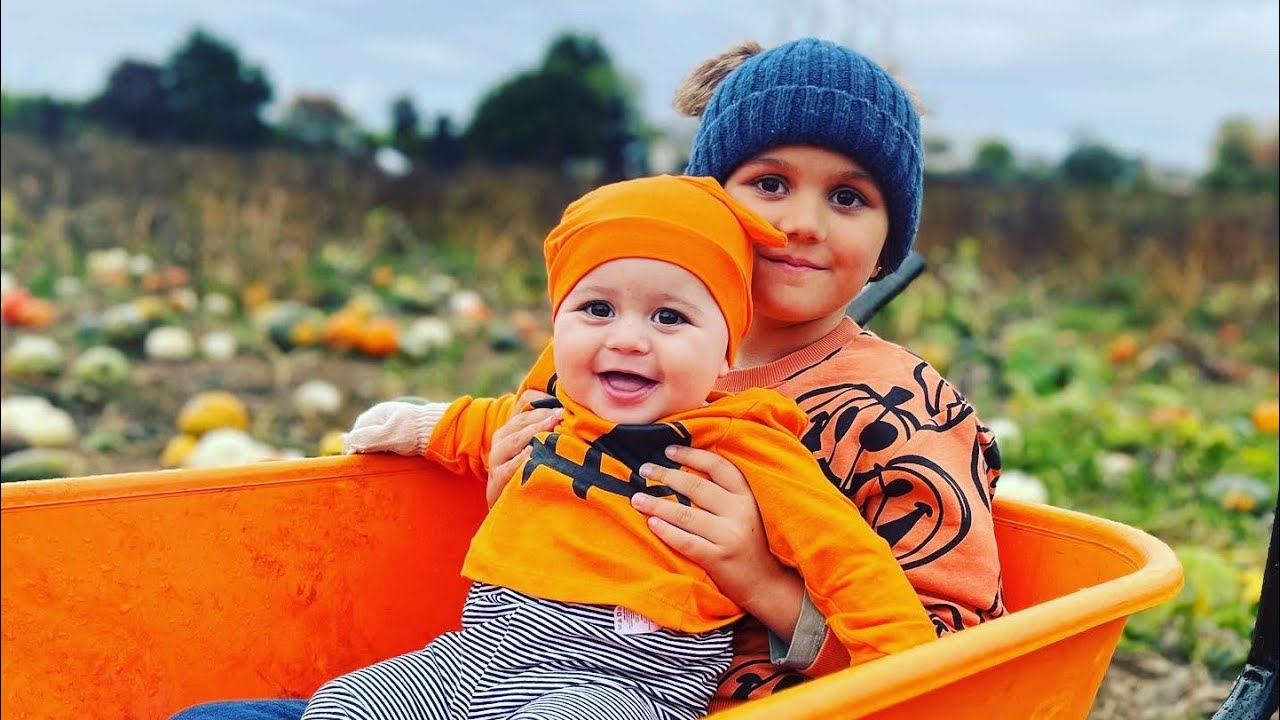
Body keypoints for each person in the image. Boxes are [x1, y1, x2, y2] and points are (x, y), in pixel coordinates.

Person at [170, 36, 1005, 719]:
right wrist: (509, 480)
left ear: (893, 234)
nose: (798, 223)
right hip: (489, 672)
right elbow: (522, 447)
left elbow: (943, 661)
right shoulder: (617, 342)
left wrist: (758, 575)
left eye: (850, 198)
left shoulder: (902, 412)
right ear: (705, 199)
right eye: (770, 183)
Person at [304, 174, 935, 719]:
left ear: (724, 354)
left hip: (624, 683)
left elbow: (849, 561)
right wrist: (416, 427)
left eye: (669, 318)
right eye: (597, 309)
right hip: (474, 659)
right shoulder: (551, 410)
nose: (629, 339)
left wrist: (910, 672)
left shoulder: (744, 445)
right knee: (346, 703)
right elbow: (480, 426)